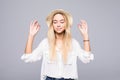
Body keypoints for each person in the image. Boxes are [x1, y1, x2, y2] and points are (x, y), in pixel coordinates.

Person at [21, 9, 94, 80]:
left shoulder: (73, 43)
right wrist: (31, 36)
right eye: (55, 22)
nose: (58, 25)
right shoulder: (45, 43)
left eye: (62, 22)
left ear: (66, 24)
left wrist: (85, 36)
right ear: (52, 25)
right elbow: (28, 58)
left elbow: (86, 59)